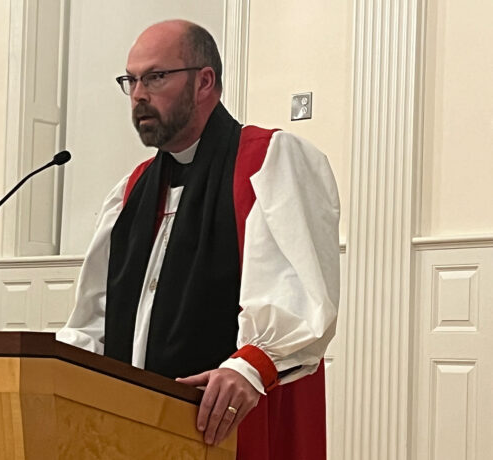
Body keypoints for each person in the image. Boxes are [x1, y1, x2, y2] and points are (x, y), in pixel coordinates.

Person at [57, 19, 340, 460]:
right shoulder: (133, 190)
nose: (138, 95)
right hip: (131, 425)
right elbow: (94, 321)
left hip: (227, 422)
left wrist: (249, 366)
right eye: (131, 80)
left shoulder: (268, 160)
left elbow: (298, 298)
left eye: (155, 77)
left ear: (204, 81)